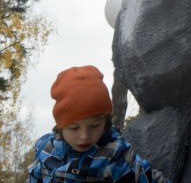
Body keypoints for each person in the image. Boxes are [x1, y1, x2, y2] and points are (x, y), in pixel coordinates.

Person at [28, 65, 171, 182]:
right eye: (74, 127)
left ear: (105, 122)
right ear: (60, 126)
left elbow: (147, 178)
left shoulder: (115, 156)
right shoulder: (45, 149)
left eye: (94, 125)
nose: (84, 136)